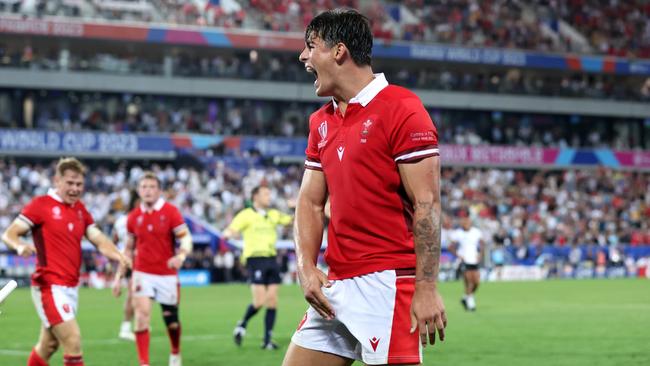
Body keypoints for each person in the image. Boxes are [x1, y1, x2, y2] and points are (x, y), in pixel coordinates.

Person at [283, 9, 446, 366]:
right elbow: (310, 202)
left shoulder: (403, 109)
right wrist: (306, 267)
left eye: (311, 46)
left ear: (339, 51)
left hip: (388, 286)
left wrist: (427, 288)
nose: (303, 56)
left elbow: (427, 204)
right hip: (336, 288)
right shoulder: (320, 122)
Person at [1, 157, 131, 366]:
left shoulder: (80, 210)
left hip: (71, 287)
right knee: (73, 340)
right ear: (57, 181)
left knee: (48, 346)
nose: (74, 188)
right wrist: (19, 246)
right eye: (70, 183)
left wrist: (118, 255)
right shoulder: (40, 205)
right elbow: (9, 233)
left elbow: (98, 239)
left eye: (79, 184)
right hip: (49, 286)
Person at [119, 172, 193, 366]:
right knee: (142, 316)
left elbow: (185, 238)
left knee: (172, 321)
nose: (148, 191)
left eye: (152, 187)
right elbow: (128, 248)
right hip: (142, 273)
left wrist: (181, 256)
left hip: (167, 275)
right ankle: (144, 363)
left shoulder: (171, 212)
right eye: (144, 187)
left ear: (159, 191)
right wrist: (119, 277)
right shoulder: (133, 217)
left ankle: (175, 352)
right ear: (138, 191)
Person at [223, 185, 293, 350]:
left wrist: (296, 207)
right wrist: (228, 233)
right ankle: (242, 324)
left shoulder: (273, 214)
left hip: (271, 258)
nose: (269, 197)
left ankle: (267, 340)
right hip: (255, 260)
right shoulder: (246, 215)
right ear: (255, 197)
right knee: (259, 301)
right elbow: (231, 229)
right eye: (266, 194)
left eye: (270, 193)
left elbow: (292, 220)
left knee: (273, 301)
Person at [111, 193, 138, 341]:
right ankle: (126, 327)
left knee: (138, 293)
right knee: (133, 294)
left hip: (123, 257)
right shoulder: (135, 219)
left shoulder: (120, 220)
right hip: (132, 259)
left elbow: (114, 239)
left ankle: (138, 320)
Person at [449, 216, 485, 311]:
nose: (466, 224)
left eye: (467, 222)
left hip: (474, 259)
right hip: (464, 260)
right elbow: (451, 247)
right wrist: (458, 255)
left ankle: (465, 297)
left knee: (476, 282)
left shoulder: (476, 232)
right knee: (469, 281)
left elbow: (482, 244)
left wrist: (480, 255)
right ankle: (470, 303)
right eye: (464, 223)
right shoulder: (458, 233)